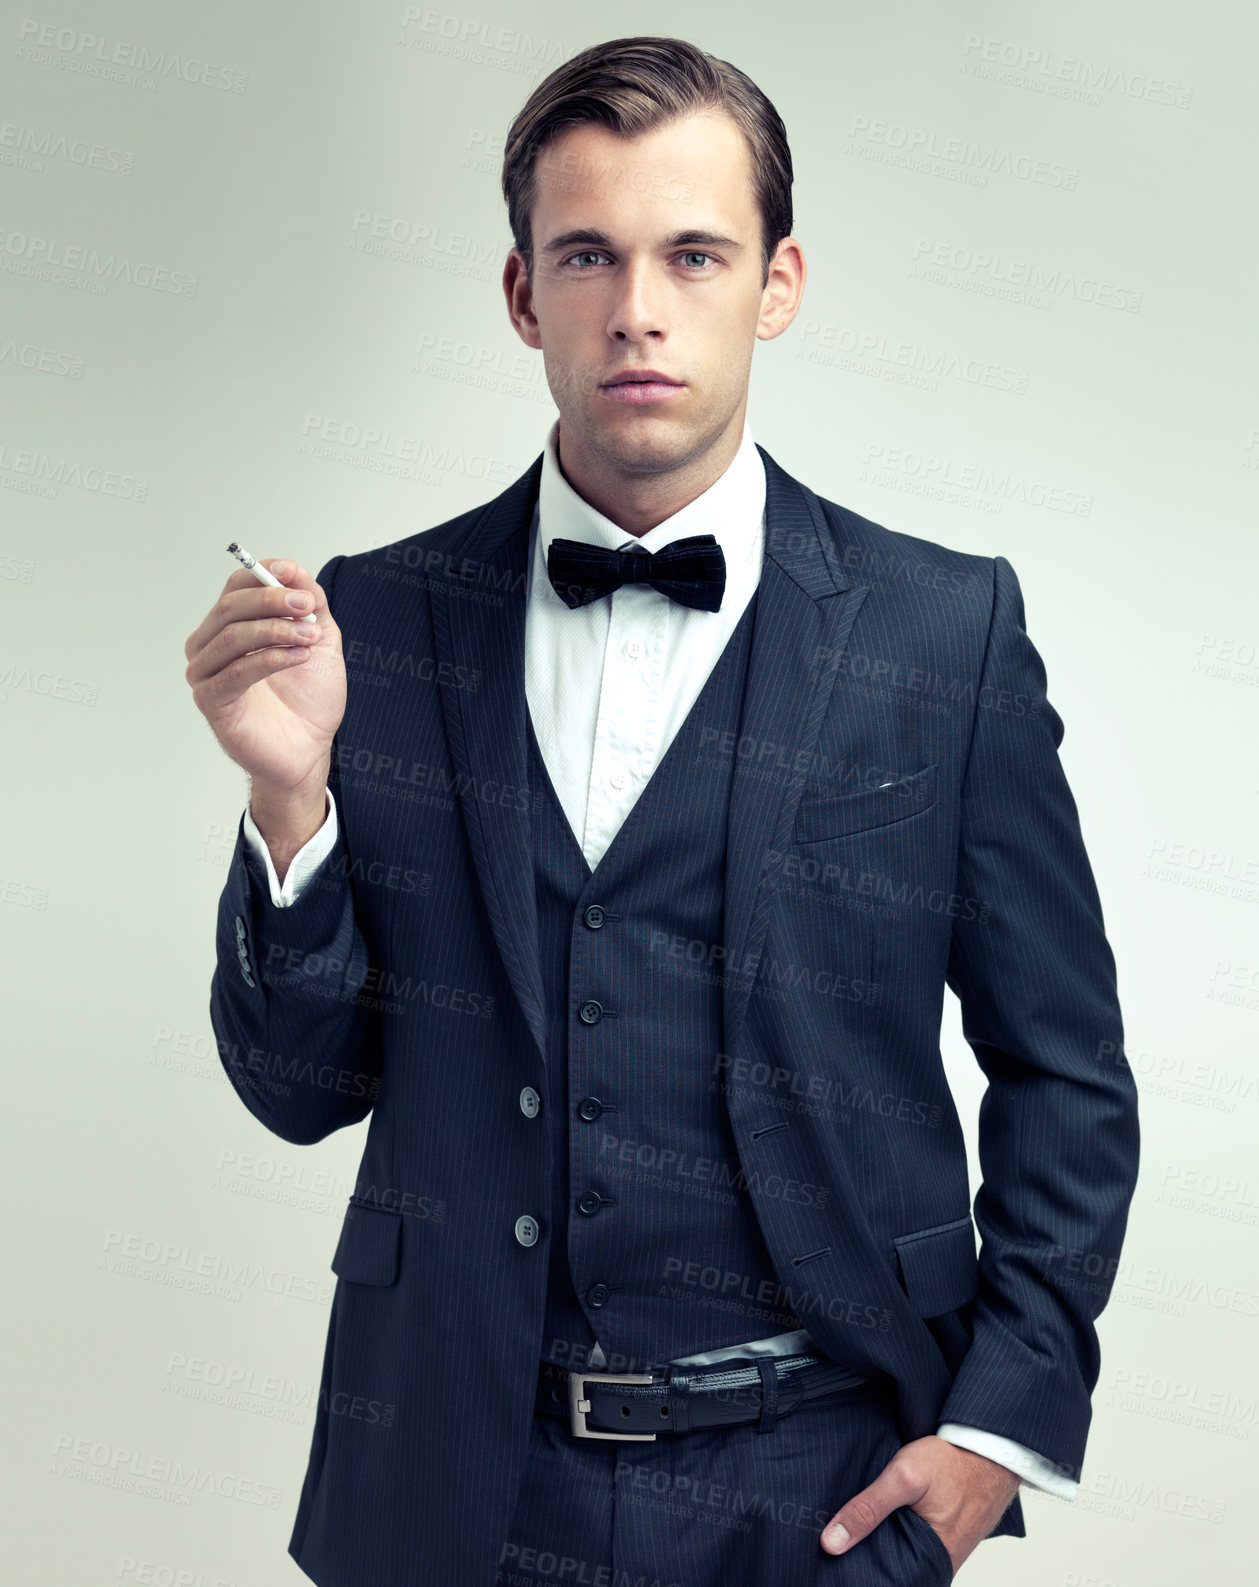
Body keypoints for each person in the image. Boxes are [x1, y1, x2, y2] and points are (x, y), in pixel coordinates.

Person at [186, 35, 1139, 1587]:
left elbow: (1069, 1068)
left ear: (778, 282)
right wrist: (289, 799)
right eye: (588, 256)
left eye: (694, 254)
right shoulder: (381, 623)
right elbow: (302, 1088)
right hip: (451, 1489)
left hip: (825, 1492)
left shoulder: (940, 633)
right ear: (521, 296)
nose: (639, 308)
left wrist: (997, 1429)